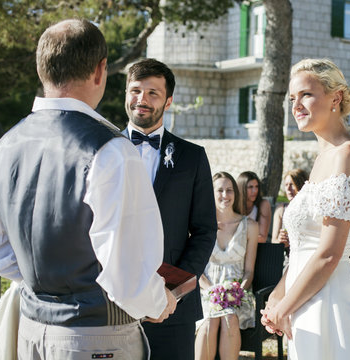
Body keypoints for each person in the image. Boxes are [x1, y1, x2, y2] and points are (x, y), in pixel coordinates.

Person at [0, 19, 176, 359]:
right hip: (95, 337)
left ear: (42, 68)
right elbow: (126, 272)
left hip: (31, 331)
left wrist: (46, 283)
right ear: (100, 70)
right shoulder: (110, 150)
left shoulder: (4, 147)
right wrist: (157, 300)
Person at [260, 58, 350, 359]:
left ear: (336, 97)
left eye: (306, 94)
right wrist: (278, 295)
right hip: (303, 301)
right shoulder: (321, 159)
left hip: (331, 306)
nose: (296, 105)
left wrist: (286, 306)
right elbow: (303, 251)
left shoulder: (349, 154)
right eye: (292, 98)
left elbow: (330, 252)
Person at [122, 58, 217, 359]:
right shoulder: (101, 149)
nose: (142, 99)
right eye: (136, 90)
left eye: (153, 93)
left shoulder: (192, 157)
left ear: (169, 101)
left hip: (172, 309)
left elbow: (204, 230)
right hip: (111, 306)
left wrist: (173, 291)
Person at [195, 172, 259, 360]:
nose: (225, 195)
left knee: (229, 317)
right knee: (210, 320)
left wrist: (238, 290)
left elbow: (249, 270)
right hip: (206, 291)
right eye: (220, 190)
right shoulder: (201, 226)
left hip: (237, 293)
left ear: (235, 193)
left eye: (229, 190)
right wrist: (212, 291)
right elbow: (197, 269)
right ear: (211, 193)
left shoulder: (250, 226)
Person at [271, 169, 309, 251]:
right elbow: (274, 240)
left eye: (292, 184)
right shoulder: (281, 209)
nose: (288, 188)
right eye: (286, 185)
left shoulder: (310, 210)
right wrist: (280, 240)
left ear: (301, 184)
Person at [237, 171, 272, 243]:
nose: (255, 191)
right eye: (250, 187)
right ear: (242, 188)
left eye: (257, 186)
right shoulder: (234, 205)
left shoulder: (263, 204)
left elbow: (262, 238)